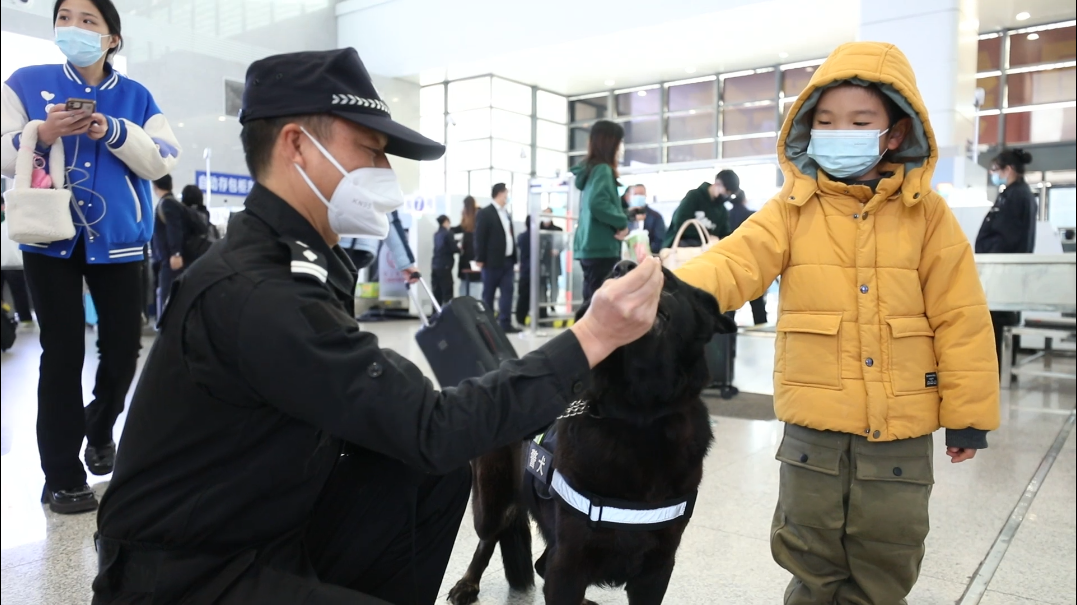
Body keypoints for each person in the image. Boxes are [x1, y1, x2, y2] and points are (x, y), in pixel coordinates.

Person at [90, 48, 663, 605]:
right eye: (371, 150)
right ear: (297, 145)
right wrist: (591, 336)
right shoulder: (259, 289)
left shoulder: (295, 261)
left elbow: (405, 427)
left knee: (429, 476)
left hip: (261, 523)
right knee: (430, 446)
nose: (385, 172)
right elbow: (432, 425)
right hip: (185, 573)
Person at [674, 42, 999, 604]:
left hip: (900, 429)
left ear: (895, 133)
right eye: (824, 121)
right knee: (809, 549)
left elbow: (961, 315)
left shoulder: (929, 217)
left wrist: (968, 415)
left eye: (858, 121)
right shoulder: (791, 209)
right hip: (814, 428)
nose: (838, 131)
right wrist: (671, 293)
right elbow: (736, 259)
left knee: (888, 552)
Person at [0, 0, 180, 514]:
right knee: (61, 354)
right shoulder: (25, 81)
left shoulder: (135, 95)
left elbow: (162, 160)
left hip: (120, 238)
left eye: (87, 20)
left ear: (112, 38)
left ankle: (98, 426)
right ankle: (60, 474)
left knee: (123, 350)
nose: (72, 28)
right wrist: (42, 132)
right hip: (47, 234)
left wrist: (113, 131)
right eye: (63, 18)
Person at [976, 148, 1037, 374]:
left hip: (1003, 270)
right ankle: (1000, 369)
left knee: (1000, 321)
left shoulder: (1016, 196)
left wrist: (989, 258)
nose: (993, 174)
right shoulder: (1013, 193)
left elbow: (1006, 236)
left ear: (1008, 169)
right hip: (1001, 268)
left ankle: (998, 371)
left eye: (995, 169)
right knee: (999, 320)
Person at [571, 120, 629, 303]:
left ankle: (580, 332)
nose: (621, 147)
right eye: (619, 142)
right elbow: (598, 203)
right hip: (601, 246)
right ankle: (584, 333)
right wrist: (621, 222)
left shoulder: (592, 170)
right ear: (611, 143)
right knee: (598, 304)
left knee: (590, 300)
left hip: (589, 246)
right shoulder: (603, 170)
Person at [721, 172, 767, 326]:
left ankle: (728, 338)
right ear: (744, 199)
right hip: (752, 267)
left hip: (730, 268)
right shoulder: (753, 216)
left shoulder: (724, 217)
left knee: (730, 306)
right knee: (758, 305)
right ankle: (761, 330)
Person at [474, 183, 519, 332]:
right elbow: (479, 237)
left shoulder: (506, 213)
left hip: (507, 261)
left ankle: (505, 324)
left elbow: (509, 235)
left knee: (508, 293)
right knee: (489, 294)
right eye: (506, 193)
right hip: (491, 262)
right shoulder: (485, 213)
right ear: (500, 193)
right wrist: (479, 258)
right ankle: (488, 326)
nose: (508, 196)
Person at [663, 170, 733, 248]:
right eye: (726, 192)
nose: (726, 196)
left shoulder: (722, 210)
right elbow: (679, 222)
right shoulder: (694, 197)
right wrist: (707, 237)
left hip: (706, 250)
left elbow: (725, 234)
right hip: (683, 247)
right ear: (717, 184)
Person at [151, 175, 187, 317]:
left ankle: (169, 331)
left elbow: (174, 229)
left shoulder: (167, 204)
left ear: (155, 186)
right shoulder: (171, 203)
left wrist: (175, 253)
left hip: (171, 262)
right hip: (168, 260)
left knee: (169, 298)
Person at [625, 183, 667, 254]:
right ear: (630, 196)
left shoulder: (656, 217)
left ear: (645, 195)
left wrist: (645, 252)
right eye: (635, 194)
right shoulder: (624, 217)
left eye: (641, 194)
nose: (638, 196)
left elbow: (660, 240)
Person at [452, 196, 481, 296]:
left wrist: (445, 231)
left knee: (465, 284)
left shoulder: (467, 216)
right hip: (475, 254)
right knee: (474, 284)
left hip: (466, 254)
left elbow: (459, 228)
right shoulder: (478, 213)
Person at [538, 212, 563, 319]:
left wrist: (557, 250)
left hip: (554, 262)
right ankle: (542, 305)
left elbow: (562, 244)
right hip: (542, 262)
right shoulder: (537, 229)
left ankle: (553, 304)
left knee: (554, 284)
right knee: (542, 285)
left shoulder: (558, 230)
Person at [431, 214, 458, 305]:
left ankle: (435, 315)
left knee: (436, 292)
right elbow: (453, 248)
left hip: (435, 265)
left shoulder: (436, 234)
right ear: (446, 222)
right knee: (447, 292)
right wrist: (461, 249)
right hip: (445, 266)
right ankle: (448, 315)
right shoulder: (448, 233)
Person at [514, 215, 533, 326]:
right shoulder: (537, 236)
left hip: (525, 269)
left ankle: (520, 317)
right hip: (534, 270)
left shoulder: (521, 237)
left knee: (523, 295)